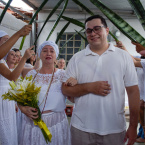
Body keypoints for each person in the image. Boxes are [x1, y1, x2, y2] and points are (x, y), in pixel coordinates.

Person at [62, 15, 140, 145]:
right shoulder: (77, 58)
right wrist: (89, 87)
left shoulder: (123, 57)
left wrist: (132, 126)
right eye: (89, 30)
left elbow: (133, 92)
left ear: (107, 30)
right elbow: (65, 89)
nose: (93, 33)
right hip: (81, 128)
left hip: (114, 129)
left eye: (97, 28)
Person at [18, 40, 77, 145]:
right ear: (39, 55)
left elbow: (72, 99)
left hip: (56, 123)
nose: (48, 53)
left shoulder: (63, 75)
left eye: (52, 51)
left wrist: (74, 85)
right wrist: (23, 108)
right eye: (45, 51)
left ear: (56, 55)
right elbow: (21, 98)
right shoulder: (31, 74)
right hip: (32, 123)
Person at [0, 27, 33, 145]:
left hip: (6, 101)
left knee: (9, 131)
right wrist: (24, 58)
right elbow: (13, 77)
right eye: (5, 40)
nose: (9, 43)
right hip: (1, 101)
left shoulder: (2, 61)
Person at [116, 41, 145, 143]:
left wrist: (123, 48)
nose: (136, 48)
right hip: (141, 95)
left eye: (137, 46)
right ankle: (141, 133)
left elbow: (133, 61)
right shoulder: (142, 60)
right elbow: (135, 59)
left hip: (144, 98)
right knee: (142, 119)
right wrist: (123, 49)